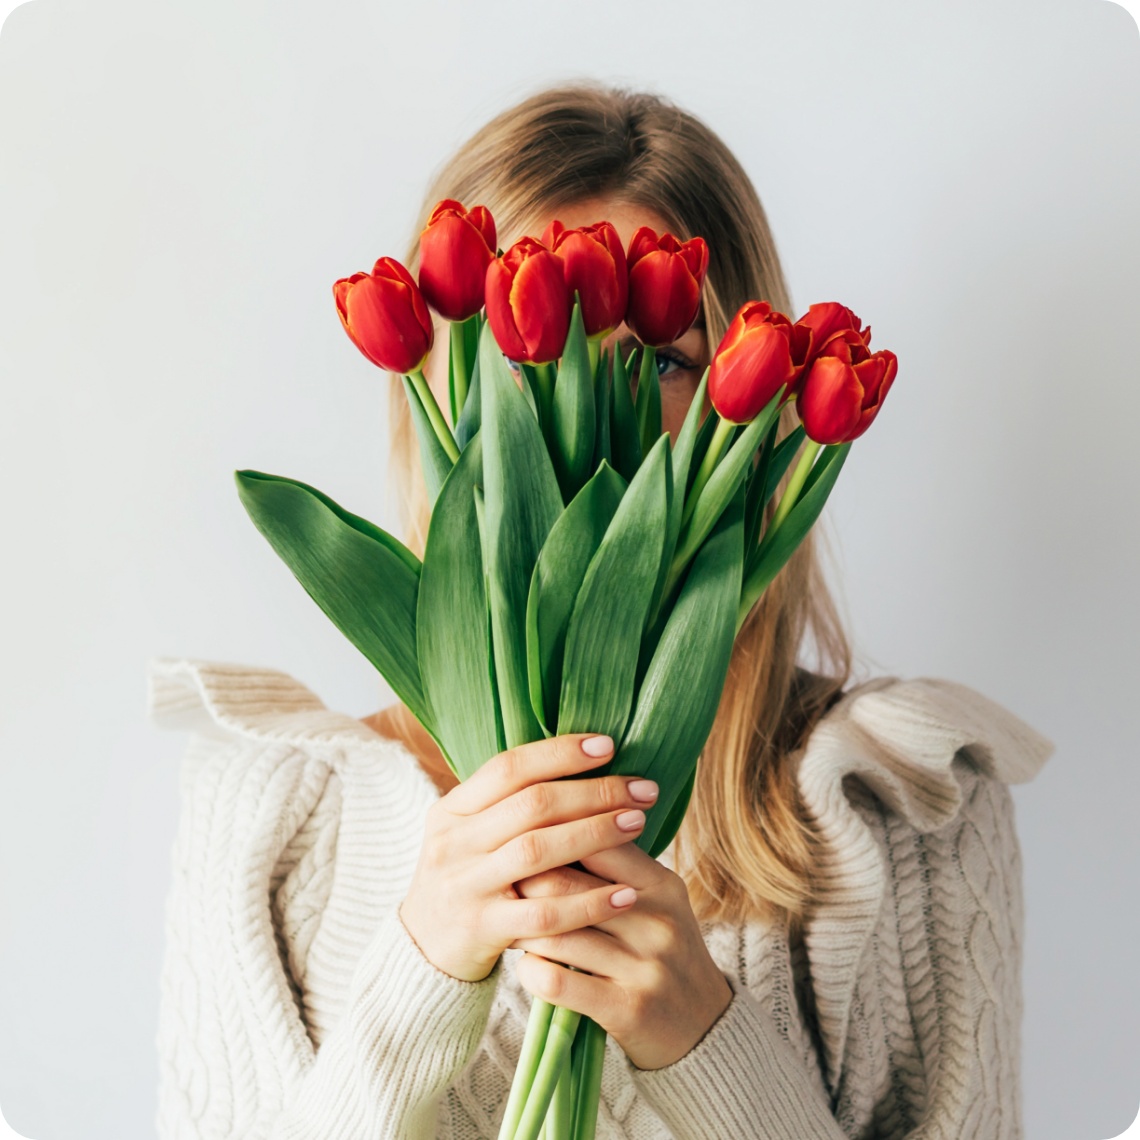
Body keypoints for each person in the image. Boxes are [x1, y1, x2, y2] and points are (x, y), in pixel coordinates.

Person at [149, 83, 1055, 1139]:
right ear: (436, 384)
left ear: (750, 402)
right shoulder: (270, 825)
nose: (585, 408)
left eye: (662, 362)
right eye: (515, 345)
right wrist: (419, 981)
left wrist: (707, 1045)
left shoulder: (908, 815)